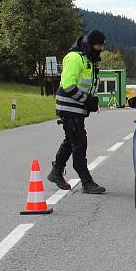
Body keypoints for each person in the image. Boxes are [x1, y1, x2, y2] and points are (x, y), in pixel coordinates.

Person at [46, 29, 107, 194]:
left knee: (71, 140)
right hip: (69, 108)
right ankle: (86, 182)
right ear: (89, 44)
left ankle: (56, 172)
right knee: (79, 142)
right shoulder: (74, 58)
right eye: (98, 46)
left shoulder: (89, 59)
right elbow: (68, 85)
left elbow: (87, 84)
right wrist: (86, 100)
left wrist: (92, 101)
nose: (101, 49)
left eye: (102, 46)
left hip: (77, 108)